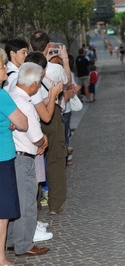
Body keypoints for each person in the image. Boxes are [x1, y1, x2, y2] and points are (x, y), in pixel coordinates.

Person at [6, 62, 52, 256]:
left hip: (12, 155)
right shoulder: (25, 104)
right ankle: (24, 244)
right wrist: (43, 141)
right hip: (23, 157)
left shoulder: (10, 94)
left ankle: (11, 240)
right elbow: (35, 136)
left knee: (14, 202)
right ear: (34, 84)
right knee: (27, 203)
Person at [30, 30, 70, 215]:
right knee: (55, 158)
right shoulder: (56, 69)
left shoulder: (25, 67)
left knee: (34, 159)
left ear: (31, 46)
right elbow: (67, 84)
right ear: (47, 47)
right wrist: (65, 60)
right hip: (51, 114)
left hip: (31, 115)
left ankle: (35, 204)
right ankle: (55, 204)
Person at [0, 48, 28, 265]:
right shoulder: (2, 95)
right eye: (2, 67)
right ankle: (1, 258)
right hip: (3, 157)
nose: (5, 71)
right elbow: (22, 122)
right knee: (3, 212)